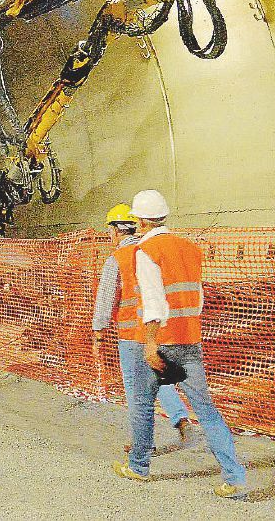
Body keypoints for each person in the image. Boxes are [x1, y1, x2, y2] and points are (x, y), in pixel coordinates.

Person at [111, 190, 248, 499]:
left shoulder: (146, 251)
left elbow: (154, 304)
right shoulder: (190, 247)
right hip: (190, 340)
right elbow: (197, 298)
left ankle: (138, 466)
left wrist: (149, 345)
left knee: (143, 404)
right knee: (206, 410)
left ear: (141, 221)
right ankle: (235, 477)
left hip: (163, 341)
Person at [92, 204, 194, 454]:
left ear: (115, 231)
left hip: (131, 335)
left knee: (137, 391)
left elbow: (106, 298)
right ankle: (180, 417)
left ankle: (143, 443)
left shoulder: (116, 259)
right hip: (157, 330)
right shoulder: (150, 252)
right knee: (158, 376)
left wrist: (98, 331)